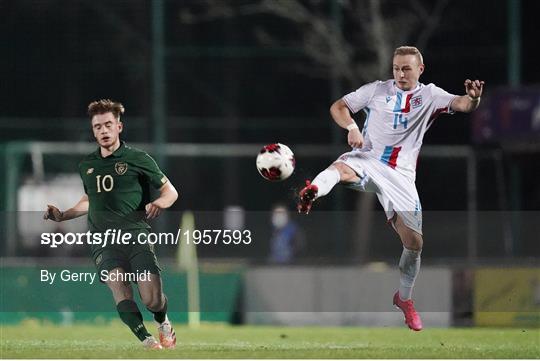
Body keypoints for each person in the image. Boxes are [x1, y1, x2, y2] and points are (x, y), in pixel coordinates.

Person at [297, 46, 484, 331]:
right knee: (340, 168)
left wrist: (474, 98)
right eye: (396, 68)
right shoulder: (376, 90)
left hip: (401, 177)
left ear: (420, 69)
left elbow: (461, 104)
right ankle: (313, 191)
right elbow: (339, 106)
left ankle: (404, 299)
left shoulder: (430, 95)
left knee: (415, 244)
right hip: (369, 160)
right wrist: (351, 127)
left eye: (406, 68)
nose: (400, 73)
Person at [44, 99, 179, 349]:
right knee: (118, 284)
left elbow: (171, 191)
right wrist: (62, 215)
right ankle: (147, 340)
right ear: (93, 130)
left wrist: (160, 202)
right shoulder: (87, 165)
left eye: (108, 124)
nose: (103, 131)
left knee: (152, 299)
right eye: (97, 127)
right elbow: (89, 201)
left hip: (135, 234)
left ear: (119, 126)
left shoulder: (138, 158)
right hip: (103, 240)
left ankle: (163, 322)